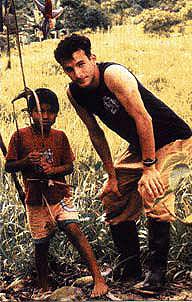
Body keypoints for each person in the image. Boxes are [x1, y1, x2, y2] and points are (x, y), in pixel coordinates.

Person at [54, 34, 192, 292]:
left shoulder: (114, 75)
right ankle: (130, 268)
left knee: (154, 192)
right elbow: (95, 132)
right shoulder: (75, 92)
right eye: (69, 69)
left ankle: (156, 275)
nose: (78, 73)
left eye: (81, 64)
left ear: (92, 59)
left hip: (175, 139)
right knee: (113, 196)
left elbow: (144, 120)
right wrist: (112, 175)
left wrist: (149, 168)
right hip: (141, 145)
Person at [5, 88, 108, 299]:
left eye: (50, 112)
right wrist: (26, 162)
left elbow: (69, 166)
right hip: (35, 200)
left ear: (57, 114)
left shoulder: (60, 137)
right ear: (30, 112)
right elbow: (9, 166)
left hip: (60, 196)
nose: (44, 116)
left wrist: (53, 171)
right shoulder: (19, 136)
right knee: (41, 245)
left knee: (75, 231)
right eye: (39, 111)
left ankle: (98, 278)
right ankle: (44, 285)